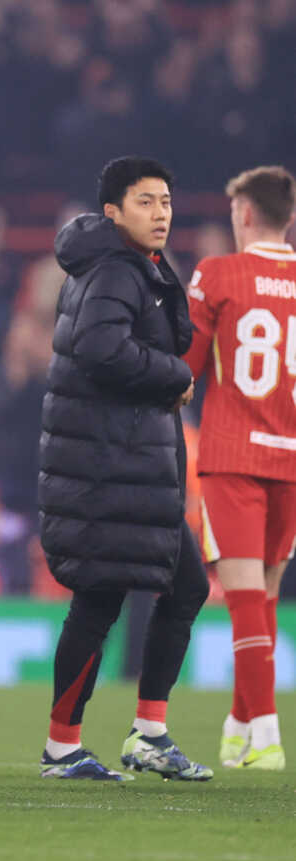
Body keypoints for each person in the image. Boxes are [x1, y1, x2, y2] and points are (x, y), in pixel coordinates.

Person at [37, 156, 212, 781]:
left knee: (174, 587)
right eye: (145, 202)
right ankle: (71, 746)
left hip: (125, 465)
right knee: (102, 598)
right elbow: (100, 348)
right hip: (109, 466)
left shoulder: (135, 267)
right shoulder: (115, 269)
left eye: (165, 201)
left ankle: (145, 732)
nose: (161, 212)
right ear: (113, 211)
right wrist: (176, 375)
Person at [184, 165, 296, 771]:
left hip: (233, 456)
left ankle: (267, 735)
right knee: (267, 596)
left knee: (245, 597)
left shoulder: (218, 274)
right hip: (292, 459)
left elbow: (189, 368)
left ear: (245, 214)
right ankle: (238, 725)